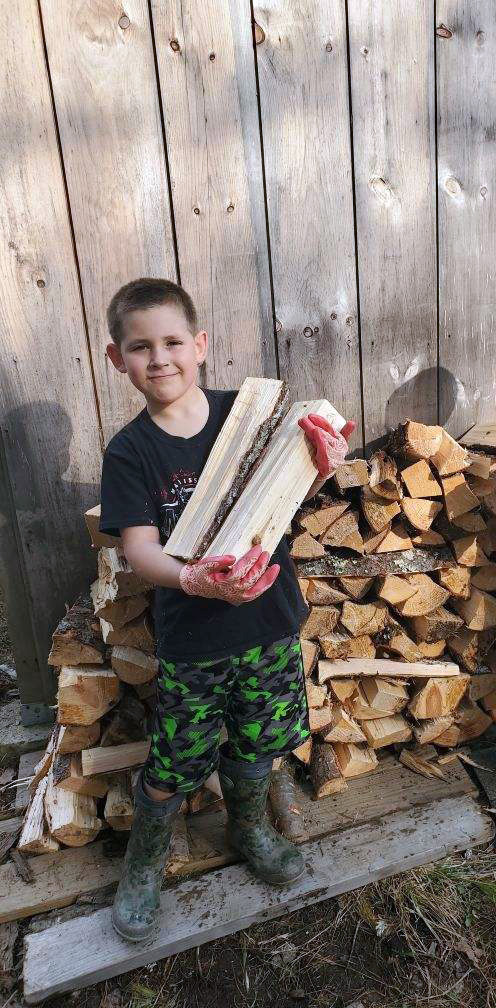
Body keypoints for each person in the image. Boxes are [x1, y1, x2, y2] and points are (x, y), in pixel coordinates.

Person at [99, 277, 355, 940]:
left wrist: (322, 466)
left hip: (266, 625)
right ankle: (144, 865)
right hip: (194, 640)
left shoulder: (246, 417)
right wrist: (195, 582)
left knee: (258, 742)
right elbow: (141, 552)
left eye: (173, 341)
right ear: (115, 358)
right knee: (175, 761)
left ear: (201, 345)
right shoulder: (131, 451)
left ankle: (247, 828)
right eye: (140, 347)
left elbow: (284, 498)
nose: (160, 358)